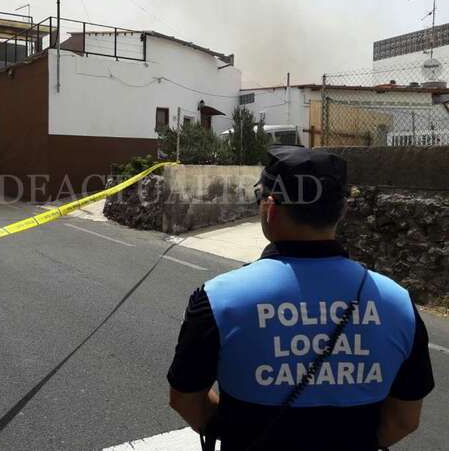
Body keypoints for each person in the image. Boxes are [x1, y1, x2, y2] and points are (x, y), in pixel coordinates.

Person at [167, 145, 434, 451]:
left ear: (270, 207)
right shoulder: (398, 304)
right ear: (343, 210)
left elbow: (186, 399)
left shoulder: (218, 299)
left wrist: (237, 432)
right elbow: (403, 420)